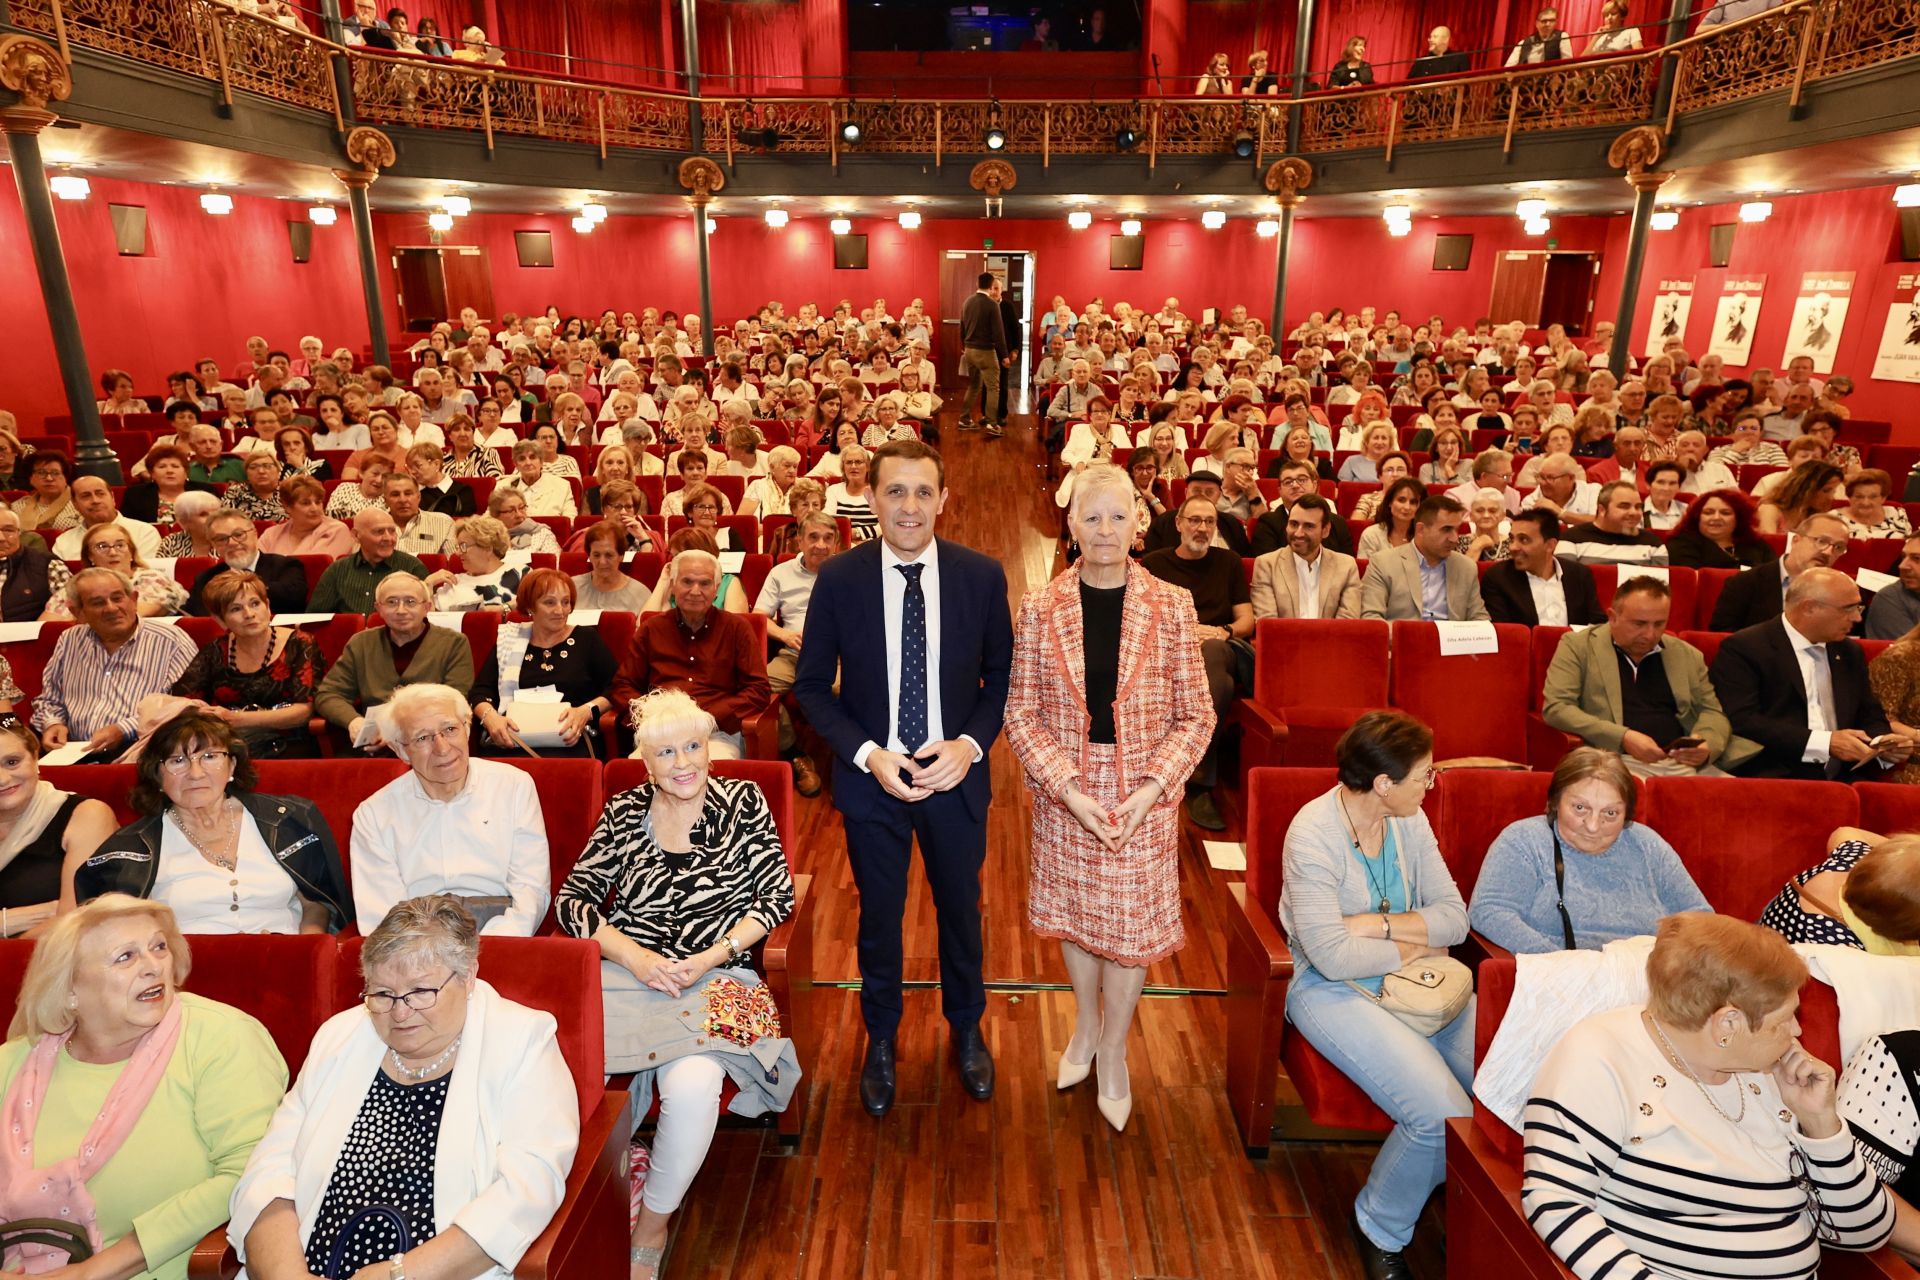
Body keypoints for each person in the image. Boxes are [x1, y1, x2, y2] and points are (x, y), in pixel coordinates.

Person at [792, 440, 1012, 1119]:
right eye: (896, 492)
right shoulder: (841, 579)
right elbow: (811, 689)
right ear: (871, 502)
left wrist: (971, 746)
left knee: (960, 915)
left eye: (923, 492)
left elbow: (999, 677)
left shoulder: (981, 575)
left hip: (954, 780)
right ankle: (880, 1039)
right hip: (873, 782)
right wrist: (867, 755)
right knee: (879, 921)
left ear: (944, 500)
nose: (910, 507)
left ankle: (967, 1028)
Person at [552, 689, 798, 1277]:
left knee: (691, 1086)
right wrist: (636, 959)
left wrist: (711, 957)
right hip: (632, 975)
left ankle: (652, 1224)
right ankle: (579, 1198)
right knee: (560, 1063)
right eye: (667, 752)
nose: (683, 762)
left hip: (721, 976)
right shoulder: (624, 811)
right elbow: (573, 901)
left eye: (694, 746)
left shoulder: (743, 801)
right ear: (646, 761)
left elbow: (776, 897)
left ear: (711, 751)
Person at [1006, 466, 1215, 1132]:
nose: (1103, 531)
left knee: (1127, 933)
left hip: (1143, 793)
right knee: (1076, 917)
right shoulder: (1039, 606)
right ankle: (1084, 1029)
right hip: (1068, 789)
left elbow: (1196, 716)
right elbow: (1021, 712)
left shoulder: (1174, 606)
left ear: (1138, 523)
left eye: (1116, 517)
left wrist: (1153, 791)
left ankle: (1116, 1050)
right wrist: (1066, 790)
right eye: (1090, 518)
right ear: (1070, 526)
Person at [1522, 913, 1895, 1278]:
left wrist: (1820, 1124)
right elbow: (1557, 1201)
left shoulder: (1774, 1072)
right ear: (1727, 1023)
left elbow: (1866, 1231)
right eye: (1783, 1020)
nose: (1797, 1031)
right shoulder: (1601, 1057)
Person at [230, 895, 579, 1280]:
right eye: (382, 994)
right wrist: (286, 1275)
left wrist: (398, 1274)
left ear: (468, 977)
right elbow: (270, 1171)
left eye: (420, 992)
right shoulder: (340, 1036)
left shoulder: (521, 1040)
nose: (399, 1012)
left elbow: (526, 1190)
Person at [0, 894, 287, 1279]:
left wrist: (94, 1271)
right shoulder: (13, 1063)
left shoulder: (220, 1037)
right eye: (126, 957)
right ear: (70, 989)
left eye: (159, 947)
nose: (154, 967)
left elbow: (250, 1171)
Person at [1281, 711, 1471, 1277]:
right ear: (1384, 784)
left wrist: (1377, 925)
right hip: (1326, 989)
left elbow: (1455, 920)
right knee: (1439, 1116)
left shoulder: (1408, 821)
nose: (1431, 784)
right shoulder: (1312, 833)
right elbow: (1331, 956)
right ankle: (1378, 1225)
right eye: (1425, 775)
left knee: (1506, 1076)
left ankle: (1477, 1218)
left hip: (1421, 983)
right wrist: (1416, 941)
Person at [74, 708, 348, 930]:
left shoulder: (289, 821)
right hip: (185, 980)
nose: (195, 773)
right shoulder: (129, 850)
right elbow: (106, 932)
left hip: (286, 967)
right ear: (157, 775)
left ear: (232, 765)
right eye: (177, 761)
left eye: (209, 756)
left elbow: (317, 905)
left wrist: (302, 948)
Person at [350, 684, 551, 934]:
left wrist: (497, 948)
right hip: (417, 945)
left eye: (450, 729)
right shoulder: (373, 815)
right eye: (423, 738)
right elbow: (380, 915)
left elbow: (531, 891)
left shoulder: (514, 786)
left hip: (503, 933)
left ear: (467, 729)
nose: (442, 748)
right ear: (400, 749)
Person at [1471, 748, 1709, 953]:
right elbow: (1489, 911)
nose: (1593, 826)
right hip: (1562, 980)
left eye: (1610, 813)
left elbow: (1702, 919)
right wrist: (1562, 963)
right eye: (1580, 808)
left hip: (1650, 980)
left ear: (1627, 814)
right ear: (1555, 802)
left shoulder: (1647, 844)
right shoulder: (1524, 841)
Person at [1712, 567, 1910, 781]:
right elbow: (1743, 720)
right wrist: (1825, 743)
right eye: (1848, 608)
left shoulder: (1848, 651)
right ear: (1809, 608)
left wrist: (1882, 743)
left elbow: (1868, 712)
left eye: (1858, 607)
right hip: (1774, 773)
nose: (1857, 618)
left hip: (1846, 776)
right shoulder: (1746, 648)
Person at [1141, 496, 1254, 830]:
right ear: (1178, 524)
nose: (1202, 528)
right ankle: (1185, 774)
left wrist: (1223, 631)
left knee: (1215, 660)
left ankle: (1199, 780)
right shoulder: (1153, 564)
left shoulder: (1229, 561)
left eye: (1209, 522)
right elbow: (1139, 619)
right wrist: (1185, 632)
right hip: (1168, 650)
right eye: (1194, 520)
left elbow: (1246, 618)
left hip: (1217, 647)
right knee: (1204, 665)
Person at [609, 548, 770, 760]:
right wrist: (649, 716)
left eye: (704, 583)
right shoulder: (652, 628)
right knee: (638, 771)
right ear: (673, 585)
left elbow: (758, 689)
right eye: (687, 582)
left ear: (716, 589)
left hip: (716, 732)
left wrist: (709, 718)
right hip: (661, 732)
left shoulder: (737, 629)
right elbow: (623, 685)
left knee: (713, 772)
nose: (695, 591)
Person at [31, 569, 197, 759]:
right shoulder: (70, 640)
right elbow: (50, 698)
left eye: (117, 598)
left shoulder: (171, 641)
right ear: (78, 612)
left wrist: (124, 729)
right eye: (97, 603)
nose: (111, 608)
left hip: (143, 752)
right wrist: (53, 723)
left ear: (133, 599)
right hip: (73, 753)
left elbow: (184, 706)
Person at [171, 571, 325, 759]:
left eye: (255, 604)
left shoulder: (300, 643)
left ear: (267, 607)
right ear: (220, 619)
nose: (249, 614)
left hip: (290, 745)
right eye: (236, 609)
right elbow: (183, 702)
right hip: (228, 747)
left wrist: (237, 719)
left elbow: (303, 711)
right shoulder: (216, 650)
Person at [314, 574, 474, 750]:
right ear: (378, 608)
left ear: (427, 607)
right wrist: (355, 722)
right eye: (391, 602)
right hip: (372, 748)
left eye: (410, 602)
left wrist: (399, 732)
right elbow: (328, 695)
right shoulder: (361, 643)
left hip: (432, 744)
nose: (401, 610)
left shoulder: (453, 643)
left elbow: (454, 700)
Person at [469, 570, 616, 759]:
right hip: (512, 739)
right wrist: (491, 718)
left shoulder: (586, 639)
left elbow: (616, 688)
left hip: (570, 740)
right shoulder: (510, 640)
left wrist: (586, 711)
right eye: (549, 602)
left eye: (566, 602)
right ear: (530, 606)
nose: (560, 611)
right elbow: (480, 691)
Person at [0, 717, 116, 936]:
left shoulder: (86, 816)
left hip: (52, 963)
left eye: (12, 762)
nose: (2, 778)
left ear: (35, 758)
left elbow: (77, 923)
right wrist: (9, 921)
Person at [1758, 824, 1920, 952]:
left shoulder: (1857, 862)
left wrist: (1903, 854)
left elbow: (1844, 832)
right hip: (1778, 958)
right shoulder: (1840, 946)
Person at [1360, 494, 1491, 621]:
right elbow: (1372, 619)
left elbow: (1479, 618)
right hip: (1403, 640)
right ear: (1421, 529)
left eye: (1456, 530)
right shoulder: (1383, 563)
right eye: (1446, 530)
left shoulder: (1466, 567)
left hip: (1451, 641)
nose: (1454, 538)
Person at [1709, 511, 1848, 630]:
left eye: (1838, 547)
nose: (1829, 552)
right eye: (1822, 541)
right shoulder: (1744, 583)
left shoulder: (1841, 593)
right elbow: (1723, 638)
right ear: (1796, 540)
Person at [1480, 508, 1603, 627]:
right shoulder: (1498, 577)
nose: (1513, 547)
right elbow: (1506, 633)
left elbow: (1597, 623)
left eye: (1523, 540)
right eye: (1512, 539)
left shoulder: (1579, 574)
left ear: (1550, 545)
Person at [43, 523, 189, 620]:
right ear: (90, 556)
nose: (113, 552)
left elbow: (130, 616)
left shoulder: (150, 579)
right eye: (102, 546)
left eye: (120, 545)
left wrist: (77, 617)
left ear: (131, 552)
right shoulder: (74, 588)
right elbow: (47, 625)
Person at [1250, 493, 1361, 619]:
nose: (1298, 533)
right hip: (1283, 638)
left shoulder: (1346, 566)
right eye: (1294, 524)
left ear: (1325, 530)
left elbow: (1347, 623)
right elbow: (1268, 623)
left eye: (1308, 526)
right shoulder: (1266, 565)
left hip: (1332, 638)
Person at [307, 507, 430, 616]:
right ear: (356, 535)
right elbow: (315, 618)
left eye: (392, 531)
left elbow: (425, 616)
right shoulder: (338, 570)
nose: (388, 538)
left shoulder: (412, 567)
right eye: (379, 532)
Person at [187, 509, 308, 617]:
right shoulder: (206, 579)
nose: (232, 543)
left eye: (239, 534)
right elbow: (195, 615)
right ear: (213, 545)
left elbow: (293, 598)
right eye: (222, 539)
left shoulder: (285, 566)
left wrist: (238, 590)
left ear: (255, 534)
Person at [51, 477, 161, 563]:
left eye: (100, 493)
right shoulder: (63, 542)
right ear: (75, 504)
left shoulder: (144, 532)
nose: (95, 500)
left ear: (112, 497)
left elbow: (144, 573)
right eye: (86, 496)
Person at [1667, 488, 1775, 570]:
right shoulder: (1681, 544)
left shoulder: (1757, 544)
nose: (1716, 517)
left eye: (1725, 513)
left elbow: (1773, 578)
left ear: (1739, 518)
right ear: (1697, 517)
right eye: (1708, 513)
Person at [958, 272, 1010, 438]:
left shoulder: (967, 302)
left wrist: (964, 346)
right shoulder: (992, 304)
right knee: (993, 387)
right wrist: (1004, 355)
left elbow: (962, 327)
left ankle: (964, 419)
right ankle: (992, 424)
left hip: (969, 350)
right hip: (986, 351)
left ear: (977, 284)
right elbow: (998, 334)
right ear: (990, 286)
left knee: (973, 386)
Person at [258, 474, 355, 557]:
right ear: (288, 507)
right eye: (306, 503)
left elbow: (314, 569)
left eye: (318, 502)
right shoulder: (271, 534)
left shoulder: (336, 530)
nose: (315, 509)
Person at [0, 508, 60, 622]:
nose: (1, 538)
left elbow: (67, 604)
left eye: (8, 530)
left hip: (31, 637)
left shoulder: (48, 564)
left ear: (19, 533)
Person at [13, 452, 80, 532]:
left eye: (55, 473)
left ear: (65, 477)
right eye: (41, 473)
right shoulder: (18, 506)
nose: (49, 478)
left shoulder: (79, 503)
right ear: (31, 478)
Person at [1506, 8, 1572, 64]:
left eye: (1552, 21)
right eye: (1544, 21)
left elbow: (1567, 62)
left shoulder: (1562, 36)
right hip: (1526, 77)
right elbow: (1509, 66)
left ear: (1556, 22)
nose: (1548, 24)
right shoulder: (1524, 42)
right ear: (1537, 23)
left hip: (1553, 77)